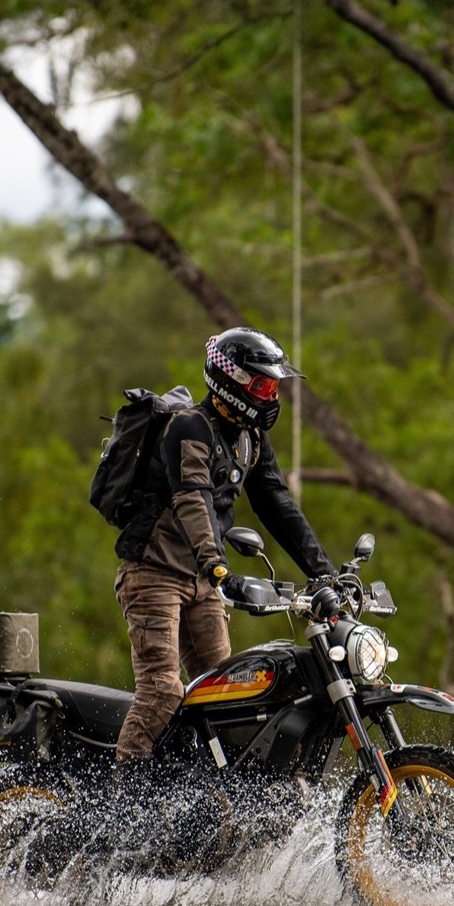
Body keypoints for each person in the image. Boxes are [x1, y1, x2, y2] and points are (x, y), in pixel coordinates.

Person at [112, 327, 335, 772]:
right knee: (162, 691)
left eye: (274, 386)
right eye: (262, 385)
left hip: (201, 581)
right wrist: (218, 568)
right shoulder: (188, 427)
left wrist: (325, 573)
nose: (271, 395)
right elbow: (191, 499)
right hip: (155, 575)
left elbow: (278, 505)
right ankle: (125, 808)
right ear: (229, 382)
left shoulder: (249, 437)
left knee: (231, 696)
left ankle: (202, 805)